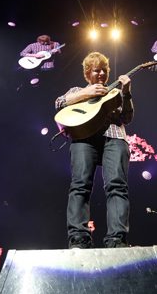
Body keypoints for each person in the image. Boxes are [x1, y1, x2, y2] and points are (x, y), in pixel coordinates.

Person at [55, 51, 133, 249]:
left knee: (117, 186)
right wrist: (86, 94)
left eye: (104, 70)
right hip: (84, 138)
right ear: (88, 73)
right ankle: (79, 239)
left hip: (114, 137)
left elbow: (127, 118)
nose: (100, 74)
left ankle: (117, 239)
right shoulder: (77, 90)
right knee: (80, 185)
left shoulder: (115, 92)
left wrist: (126, 92)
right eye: (96, 70)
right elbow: (59, 103)